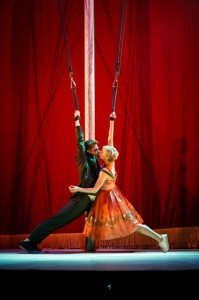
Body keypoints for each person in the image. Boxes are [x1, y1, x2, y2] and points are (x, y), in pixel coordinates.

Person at [69, 112, 169, 252]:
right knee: (127, 224)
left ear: (107, 156)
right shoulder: (112, 162)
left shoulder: (104, 172)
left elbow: (94, 190)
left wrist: (78, 189)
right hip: (112, 195)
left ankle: (160, 238)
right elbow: (111, 139)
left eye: (102, 151)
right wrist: (112, 121)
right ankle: (160, 238)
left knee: (132, 225)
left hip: (110, 199)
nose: (100, 151)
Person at [19, 109, 102, 253]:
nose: (98, 150)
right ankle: (30, 241)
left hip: (87, 201)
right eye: (95, 148)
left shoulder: (95, 161)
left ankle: (31, 241)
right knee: (58, 219)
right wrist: (77, 121)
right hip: (79, 199)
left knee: (63, 220)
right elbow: (80, 142)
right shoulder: (83, 160)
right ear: (88, 151)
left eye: (97, 148)